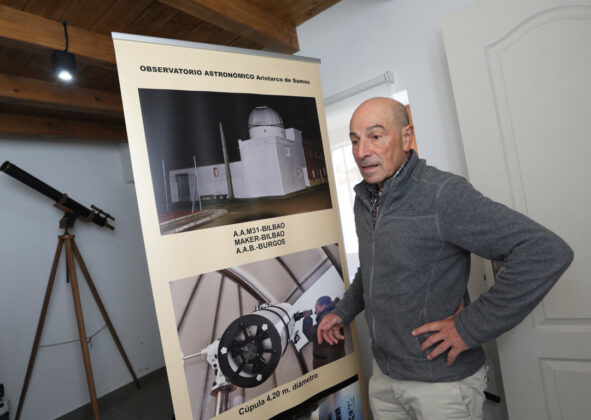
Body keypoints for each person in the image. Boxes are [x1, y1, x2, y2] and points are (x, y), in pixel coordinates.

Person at [317, 97, 573, 419]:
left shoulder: (442, 194)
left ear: (406, 137)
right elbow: (372, 269)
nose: (360, 151)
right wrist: (342, 312)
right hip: (384, 379)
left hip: (440, 387)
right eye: (354, 140)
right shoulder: (365, 200)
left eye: (375, 136)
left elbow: (545, 252)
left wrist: (467, 327)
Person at [302, 296, 346, 369]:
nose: (315, 312)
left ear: (324, 306)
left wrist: (307, 317)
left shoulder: (326, 316)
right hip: (334, 361)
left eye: (316, 308)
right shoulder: (331, 315)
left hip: (329, 363)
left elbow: (311, 334)